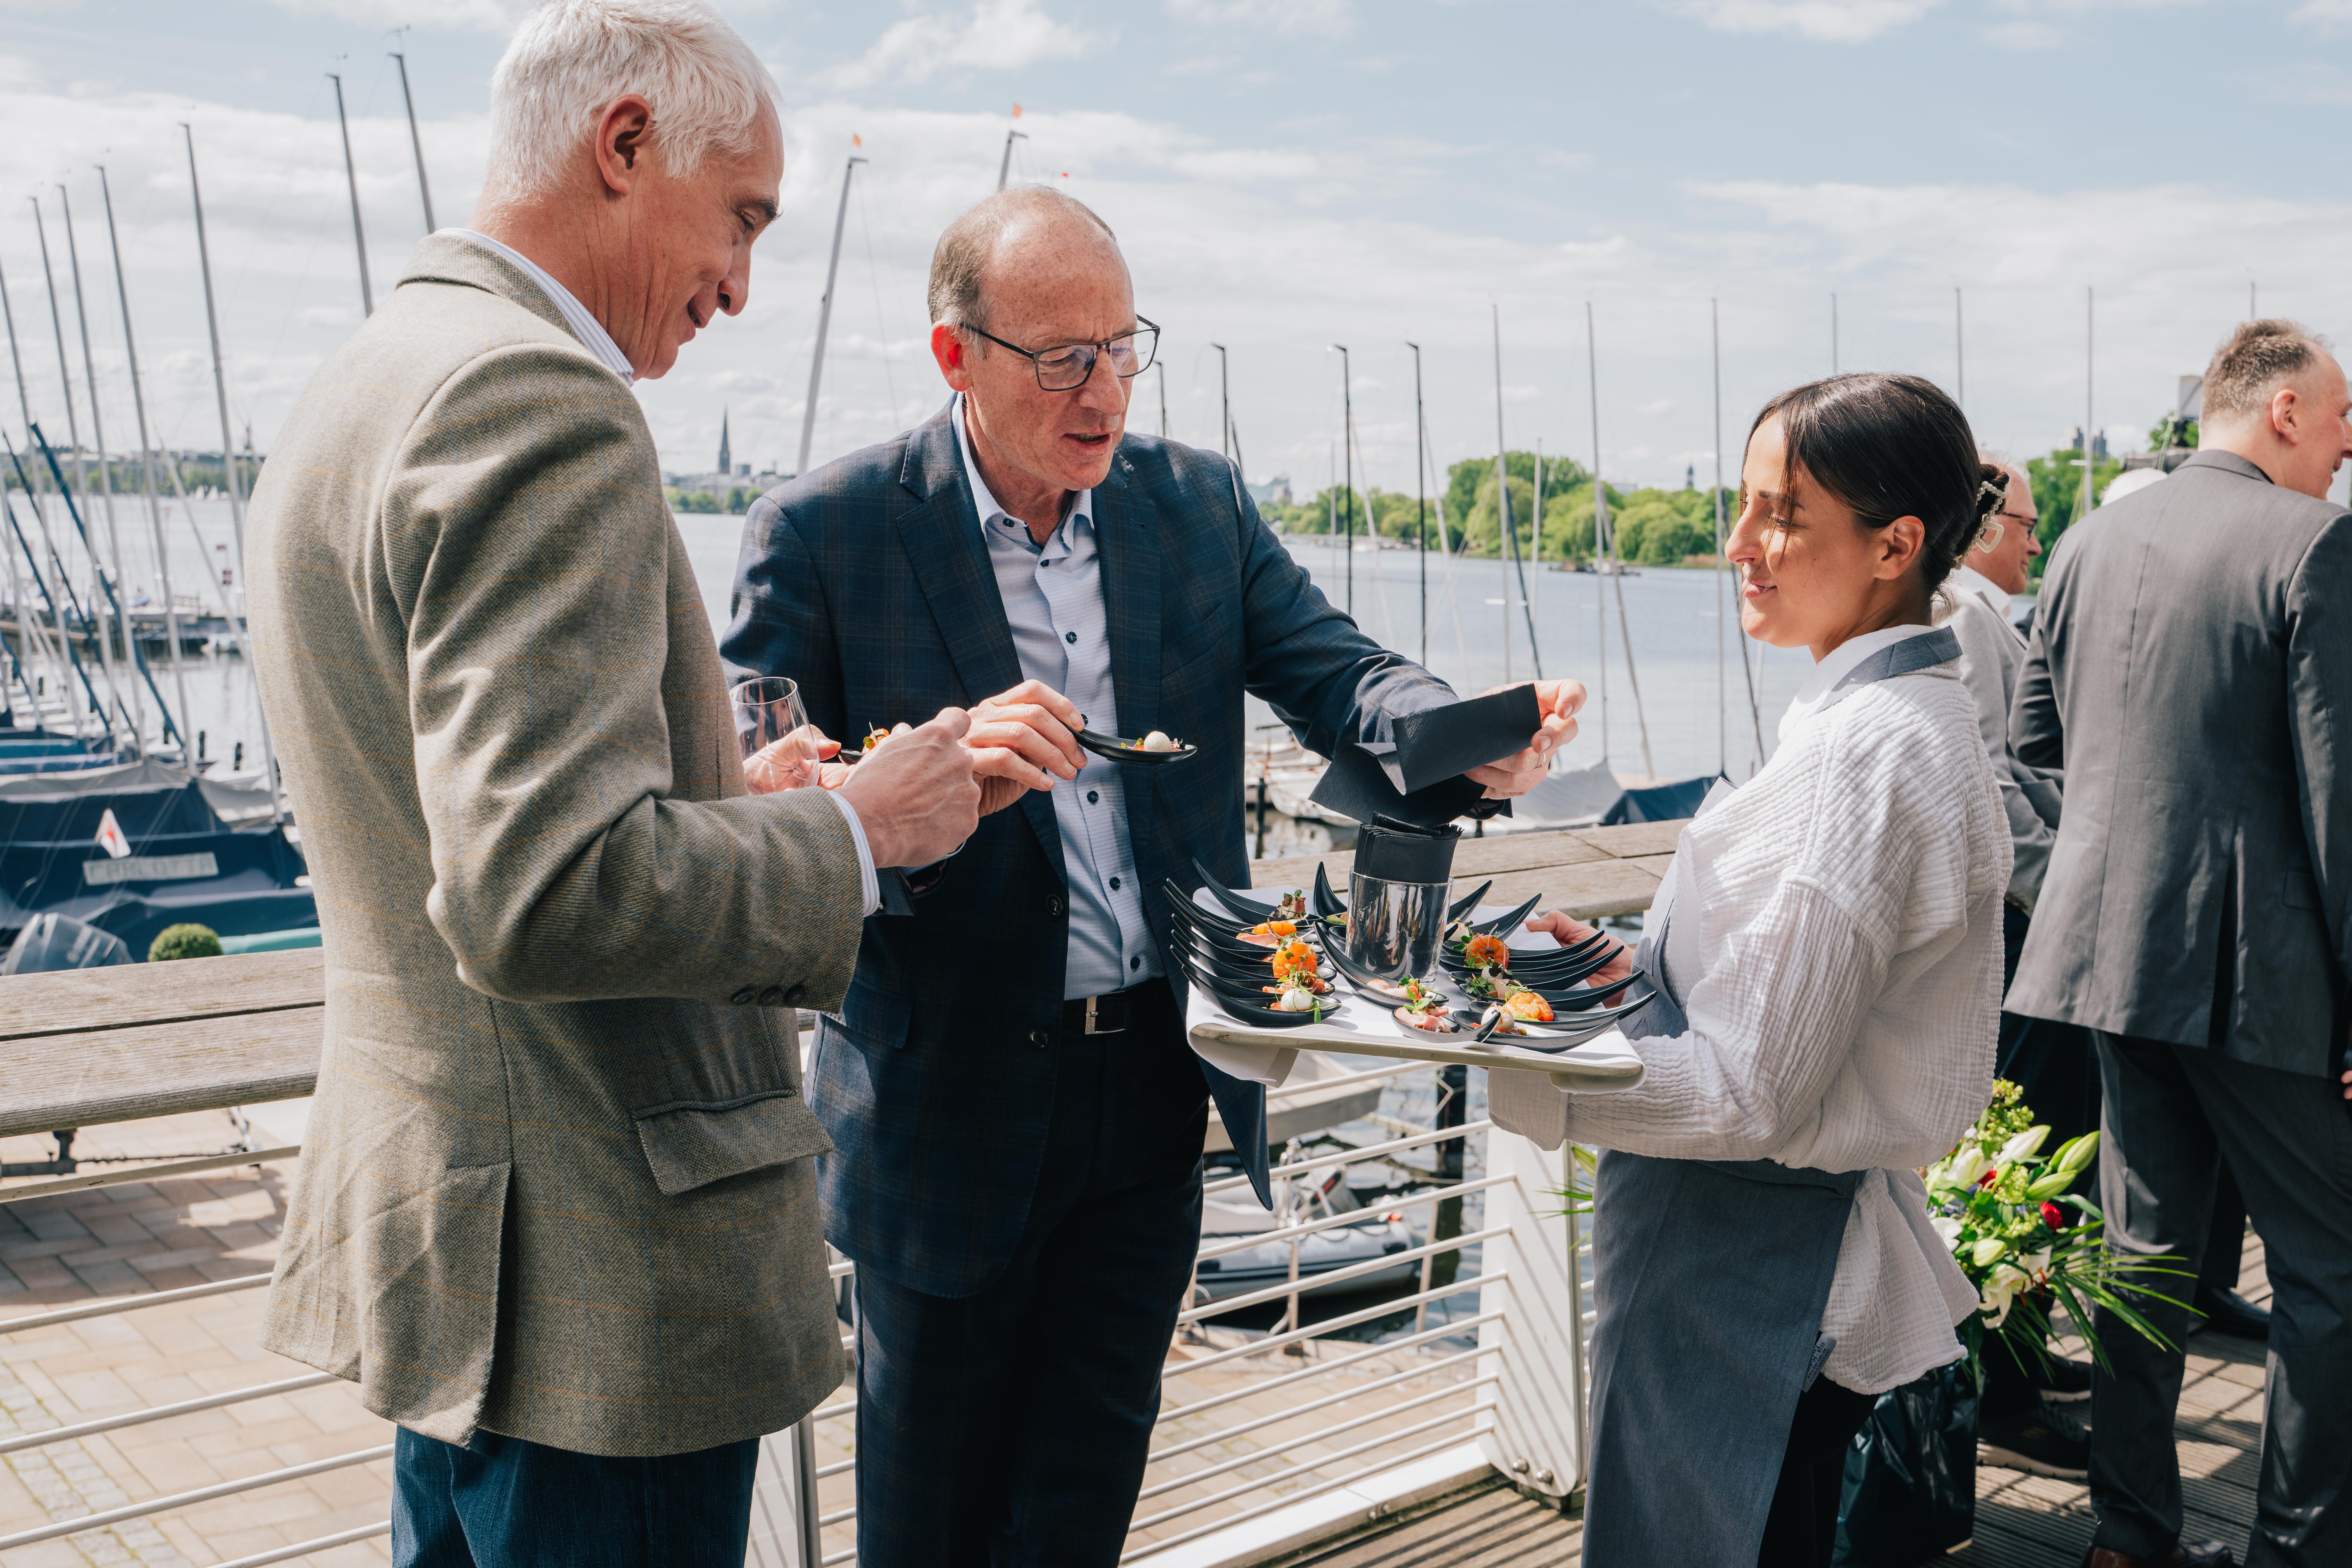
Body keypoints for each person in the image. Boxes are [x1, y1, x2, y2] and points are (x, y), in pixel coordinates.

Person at [721, 185, 1579, 1566]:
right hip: (943, 1106)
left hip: (1153, 1092)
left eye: (1124, 348)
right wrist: (886, 779)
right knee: (928, 1528)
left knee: (1081, 1511)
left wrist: (1462, 735)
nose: (1106, 390)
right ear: (956, 356)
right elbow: (760, 790)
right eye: (1065, 357)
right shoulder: (823, 532)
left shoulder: (1196, 503)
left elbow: (1338, 672)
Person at [242, 3, 980, 1561]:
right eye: (743, 220)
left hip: (461, 1266)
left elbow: (466, 819)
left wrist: (726, 795)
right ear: (625, 143)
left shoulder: (368, 377)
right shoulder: (542, 401)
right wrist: (858, 830)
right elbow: (545, 892)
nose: (741, 284)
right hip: (601, 1294)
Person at [1492, 372, 2010, 1567]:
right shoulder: (1903, 717)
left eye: (1780, 515)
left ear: (1895, 545)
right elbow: (1799, 1004)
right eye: (1744, 505)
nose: (1736, 544)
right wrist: (1630, 975)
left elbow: (1750, 1095)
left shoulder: (1861, 757)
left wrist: (1502, 1046)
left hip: (1745, 1265)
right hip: (1759, 1254)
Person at [2009, 318, 2352, 1568]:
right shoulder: (2314, 543)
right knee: (2330, 1268)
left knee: (2141, 1257)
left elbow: (2031, 749)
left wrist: (2096, 870)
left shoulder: (2083, 543)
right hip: (2259, 971)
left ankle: (2127, 1534)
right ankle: (2296, 1549)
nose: (2347, 445)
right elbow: (2340, 804)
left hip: (2103, 955)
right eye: (2339, 416)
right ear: (2280, 410)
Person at [1938, 458, 2100, 1476]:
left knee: (2040, 1145)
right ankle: (2003, 1394)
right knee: (2022, 1153)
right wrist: (2066, 890)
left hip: (2027, 922)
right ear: (1987, 524)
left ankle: (2022, 1356)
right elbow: (1988, 786)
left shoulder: (1982, 617)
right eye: (2030, 525)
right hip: (2013, 931)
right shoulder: (1964, 620)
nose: (2038, 542)